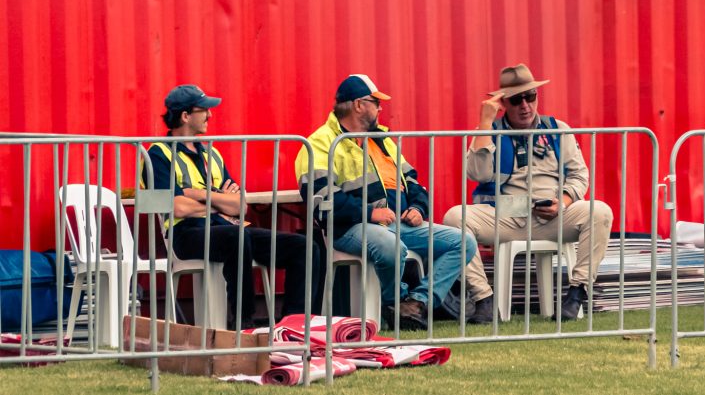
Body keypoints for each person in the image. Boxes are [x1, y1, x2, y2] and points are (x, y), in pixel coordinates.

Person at [295, 74, 477, 330]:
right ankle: (396, 302)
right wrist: (369, 213)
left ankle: (417, 303)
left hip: (399, 224)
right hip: (348, 228)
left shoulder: (382, 140)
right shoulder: (319, 143)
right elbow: (321, 201)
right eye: (376, 103)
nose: (381, 109)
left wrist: (418, 208)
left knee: (464, 242)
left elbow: (413, 182)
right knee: (391, 246)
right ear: (359, 105)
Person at [442, 64, 613, 323]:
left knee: (600, 211)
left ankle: (576, 293)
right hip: (507, 212)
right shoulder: (488, 131)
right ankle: (484, 299)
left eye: (530, 96)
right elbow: (477, 174)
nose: (525, 105)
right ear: (503, 104)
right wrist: (485, 123)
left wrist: (563, 202)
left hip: (554, 213)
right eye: (516, 99)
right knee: (455, 217)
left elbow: (580, 175)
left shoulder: (557, 129)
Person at [143, 84, 319, 329]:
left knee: (304, 247)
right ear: (185, 116)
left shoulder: (212, 154)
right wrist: (219, 201)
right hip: (185, 234)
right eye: (204, 110)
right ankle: (243, 323)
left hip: (227, 228)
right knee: (237, 237)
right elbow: (177, 208)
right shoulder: (157, 155)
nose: (210, 115)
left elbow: (240, 206)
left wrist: (199, 195)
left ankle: (294, 325)